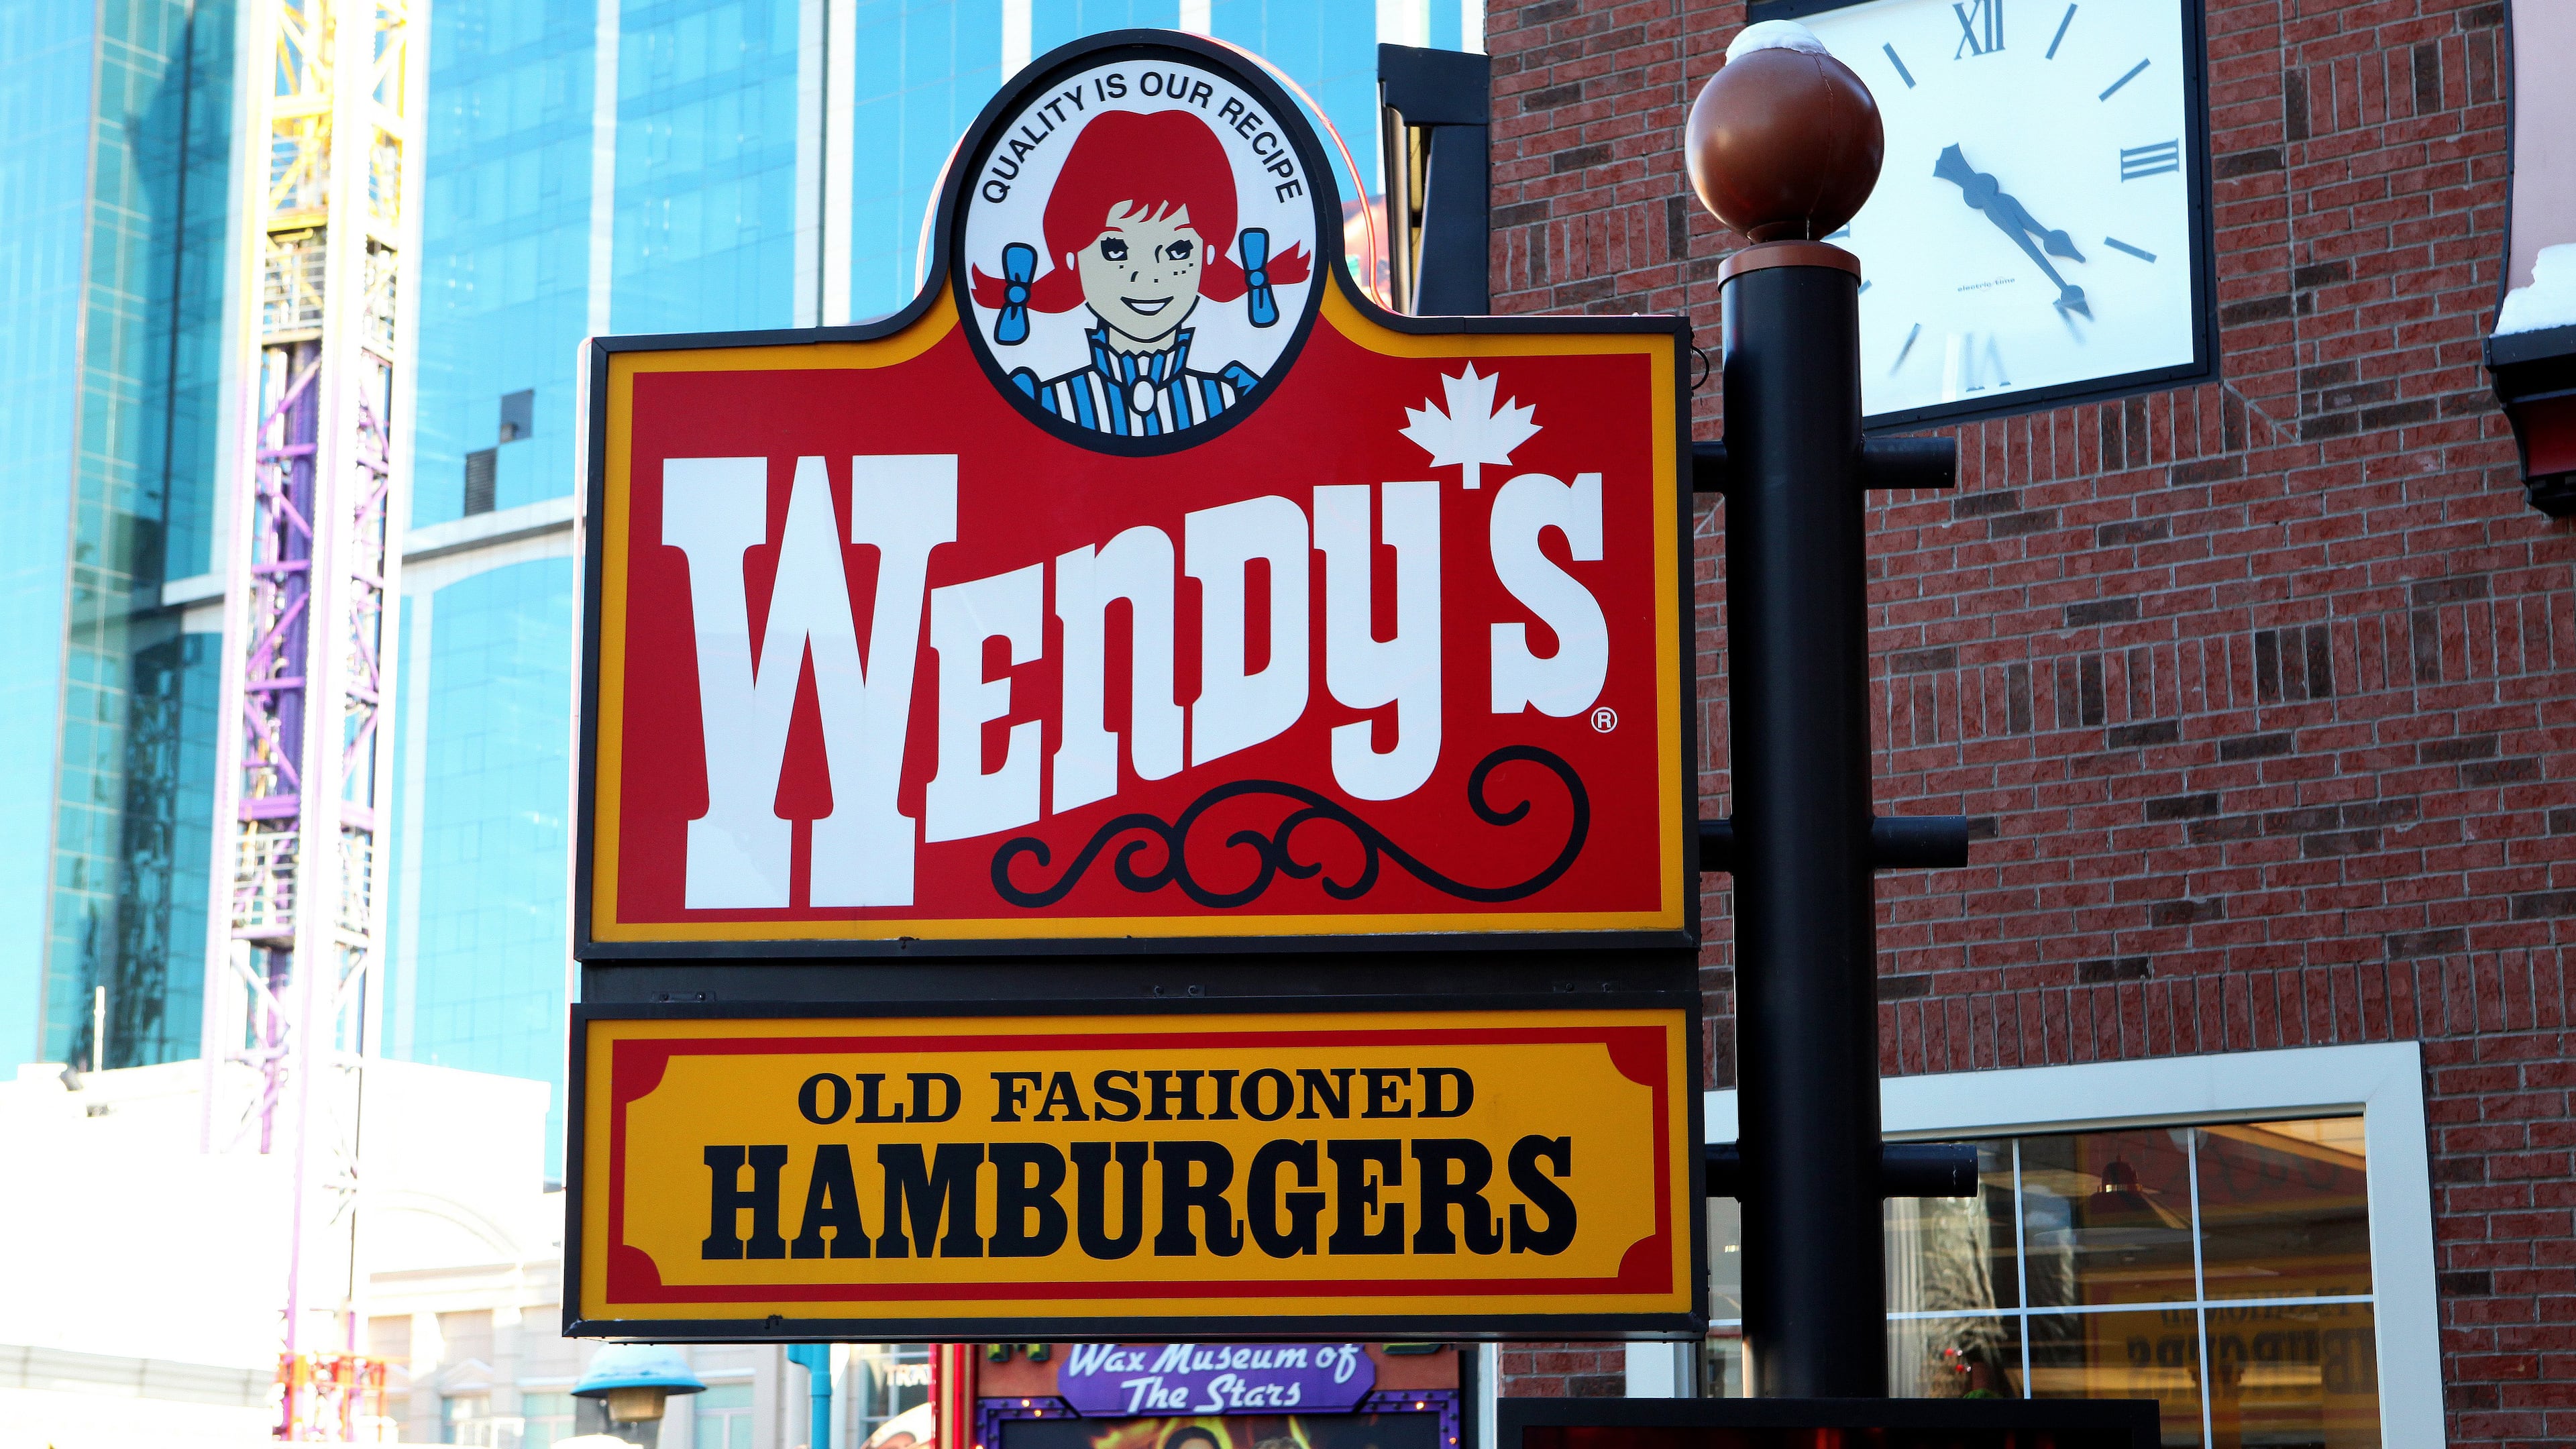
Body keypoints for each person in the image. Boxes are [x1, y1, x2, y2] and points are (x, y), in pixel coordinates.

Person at [973, 109, 1310, 439]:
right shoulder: (1041, 401)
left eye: (1178, 250)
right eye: (1115, 250)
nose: (1148, 277)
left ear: (1208, 255)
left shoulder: (1234, 394)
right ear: (1071, 256)